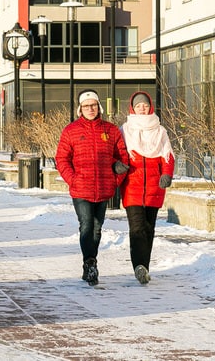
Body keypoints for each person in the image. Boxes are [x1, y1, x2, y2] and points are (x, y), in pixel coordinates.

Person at [55, 90, 129, 286]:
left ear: (99, 107)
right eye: (86, 106)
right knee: (86, 225)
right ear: (80, 109)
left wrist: (115, 181)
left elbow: (123, 158)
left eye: (93, 105)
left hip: (104, 187)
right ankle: (90, 263)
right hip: (81, 188)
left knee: (97, 228)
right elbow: (62, 159)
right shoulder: (71, 130)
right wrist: (73, 179)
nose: (90, 109)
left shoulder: (111, 131)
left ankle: (90, 263)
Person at [120, 91, 175, 285]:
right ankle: (139, 266)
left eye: (144, 105)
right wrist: (117, 165)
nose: (142, 108)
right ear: (132, 108)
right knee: (137, 229)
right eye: (138, 106)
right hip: (131, 187)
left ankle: (145, 267)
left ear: (150, 106)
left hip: (154, 187)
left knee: (149, 228)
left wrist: (167, 174)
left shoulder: (160, 131)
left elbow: (168, 155)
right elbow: (117, 153)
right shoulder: (125, 130)